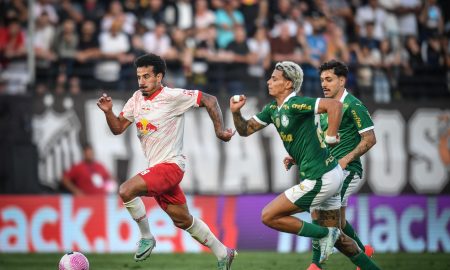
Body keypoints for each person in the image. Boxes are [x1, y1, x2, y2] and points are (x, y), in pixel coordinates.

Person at [230, 61, 380, 269]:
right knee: (342, 241)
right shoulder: (273, 109)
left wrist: (330, 136)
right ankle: (347, 257)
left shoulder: (294, 104)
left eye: (274, 78)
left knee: (269, 215)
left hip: (323, 177)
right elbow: (245, 130)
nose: (269, 81)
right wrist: (236, 113)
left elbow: (335, 106)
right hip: (329, 172)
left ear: (289, 84)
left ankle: (325, 238)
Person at [96, 53, 237, 270]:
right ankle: (223, 253)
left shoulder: (173, 96)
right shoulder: (136, 98)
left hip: (171, 166)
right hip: (157, 168)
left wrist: (219, 131)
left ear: (159, 76)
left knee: (126, 190)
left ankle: (146, 237)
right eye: (139, 77)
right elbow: (117, 128)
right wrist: (108, 112)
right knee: (182, 220)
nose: (141, 81)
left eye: (146, 76)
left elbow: (211, 100)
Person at [284, 60, 378, 270]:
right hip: (329, 170)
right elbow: (323, 142)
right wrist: (297, 157)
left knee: (324, 216)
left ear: (342, 81)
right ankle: (364, 254)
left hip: (347, 171)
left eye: (329, 79)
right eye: (322, 80)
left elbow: (370, 139)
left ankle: (316, 265)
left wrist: (346, 159)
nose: (324, 84)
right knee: (336, 222)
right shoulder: (326, 108)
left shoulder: (353, 105)